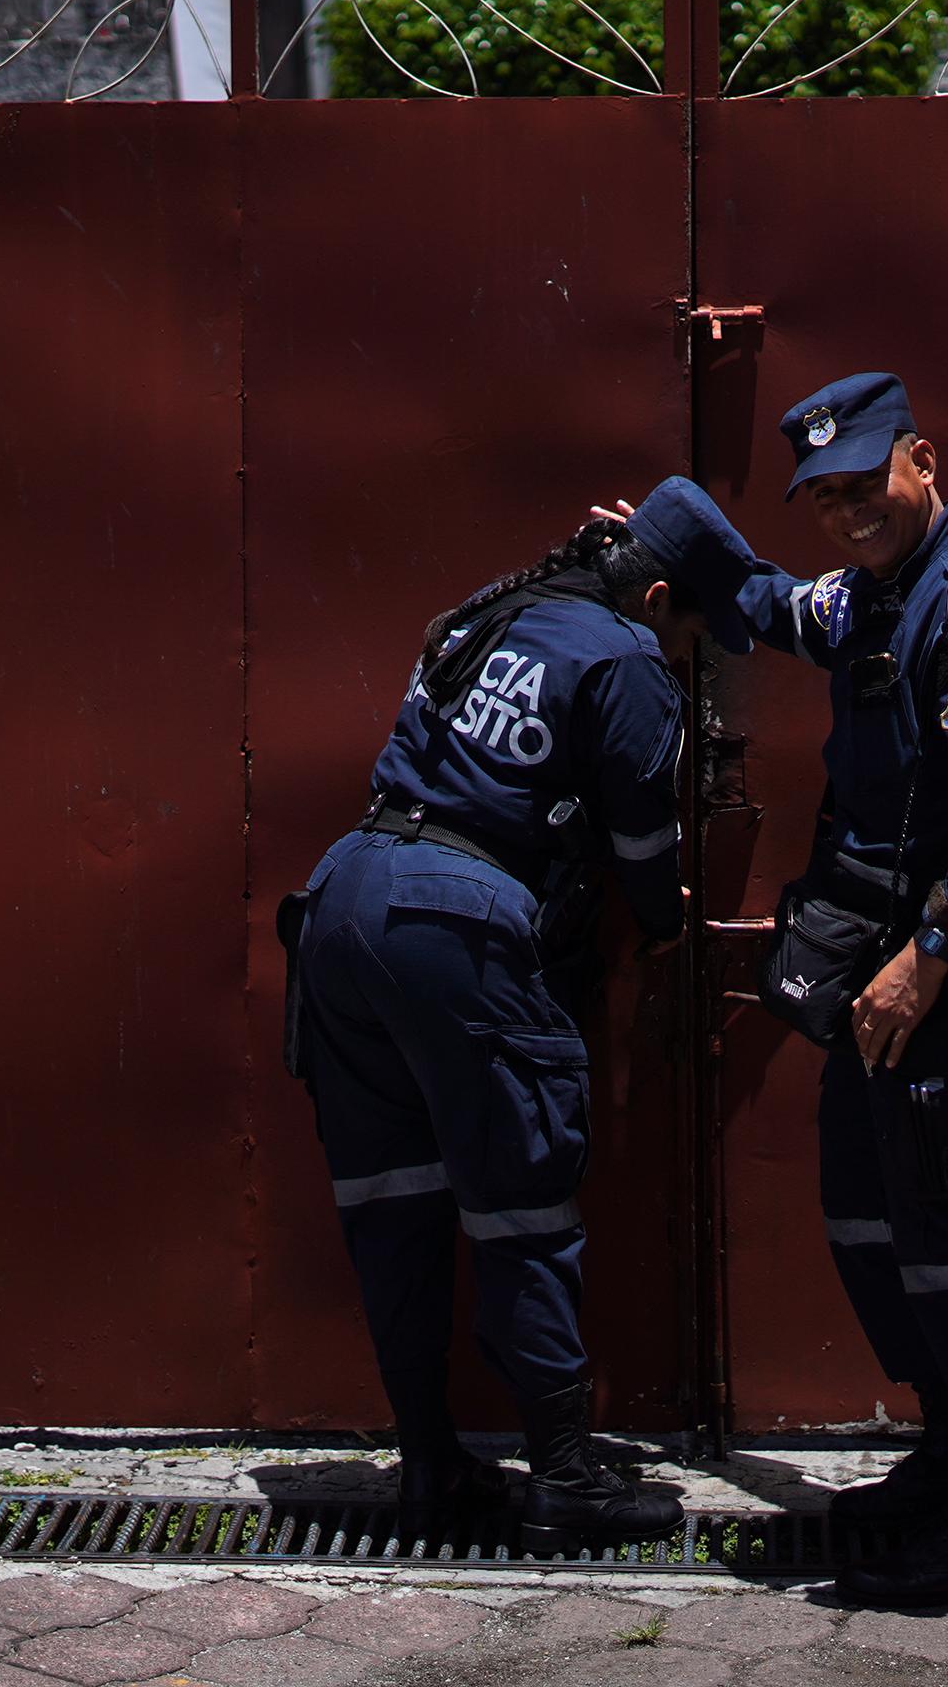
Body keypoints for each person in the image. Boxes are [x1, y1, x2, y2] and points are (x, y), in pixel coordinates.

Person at [600, 376, 948, 1606]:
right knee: (877, 1233)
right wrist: (657, 543)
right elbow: (762, 604)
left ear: (922, 458)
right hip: (884, 986)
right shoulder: (870, 598)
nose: (850, 512)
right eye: (827, 496)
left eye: (869, 483)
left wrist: (929, 956)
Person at [285, 481, 756, 1551]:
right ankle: (565, 1478)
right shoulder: (628, 657)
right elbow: (643, 843)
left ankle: (432, 1465)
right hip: (461, 915)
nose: (688, 653)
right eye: (693, 630)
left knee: (393, 1200)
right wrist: (663, 919)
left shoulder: (496, 609)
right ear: (661, 594)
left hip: (345, 896)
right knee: (521, 1207)